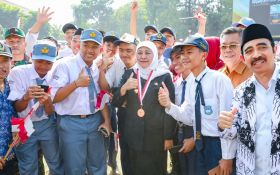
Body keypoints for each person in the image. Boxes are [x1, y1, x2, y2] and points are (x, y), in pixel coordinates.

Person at [158, 35, 234, 175]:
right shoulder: (192, 83)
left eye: (189, 52)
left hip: (216, 145)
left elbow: (229, 122)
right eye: (182, 53)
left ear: (204, 54)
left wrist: (226, 157)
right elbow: (188, 116)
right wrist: (169, 105)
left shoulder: (219, 80)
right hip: (198, 144)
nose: (184, 57)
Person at [218, 24, 280, 174]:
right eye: (249, 51)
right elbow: (232, 133)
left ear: (274, 49)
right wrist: (223, 125)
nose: (256, 55)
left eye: (262, 47)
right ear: (243, 58)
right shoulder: (240, 92)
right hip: (248, 170)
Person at [50, 29, 111, 175]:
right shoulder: (64, 65)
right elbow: (54, 97)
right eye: (86, 45)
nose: (90, 50)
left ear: (100, 49)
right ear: (79, 45)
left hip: (95, 121)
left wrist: (107, 121)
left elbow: (100, 97)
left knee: (98, 165)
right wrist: (76, 83)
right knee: (74, 168)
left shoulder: (95, 68)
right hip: (71, 123)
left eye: (94, 46)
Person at [112, 41, 176, 175]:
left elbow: (170, 109)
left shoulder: (164, 76)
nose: (143, 56)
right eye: (140, 53)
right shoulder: (130, 74)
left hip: (156, 137)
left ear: (154, 55)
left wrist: (168, 137)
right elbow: (116, 102)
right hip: (133, 135)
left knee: (156, 170)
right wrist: (124, 88)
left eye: (147, 53)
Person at [7, 41, 64, 175]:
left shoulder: (56, 76)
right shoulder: (18, 73)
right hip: (24, 124)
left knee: (55, 162)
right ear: (31, 56)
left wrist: (47, 101)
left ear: (54, 61)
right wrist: (26, 97)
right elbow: (17, 108)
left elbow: (50, 112)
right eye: (39, 61)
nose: (43, 66)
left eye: (48, 63)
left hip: (47, 123)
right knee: (27, 165)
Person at [99, 33, 139, 175]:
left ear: (136, 50)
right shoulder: (116, 63)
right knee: (126, 155)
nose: (124, 54)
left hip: (142, 122)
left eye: (128, 50)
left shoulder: (144, 65)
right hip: (123, 117)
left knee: (140, 160)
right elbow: (106, 87)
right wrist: (102, 69)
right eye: (121, 50)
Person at [169, 46, 197, 175]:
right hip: (179, 133)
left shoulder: (198, 81)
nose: (175, 62)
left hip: (195, 133)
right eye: (172, 58)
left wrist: (195, 138)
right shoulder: (177, 83)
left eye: (178, 57)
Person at [0, 43, 19, 175]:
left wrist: (17, 131)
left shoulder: (12, 85)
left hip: (9, 155)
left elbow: (15, 114)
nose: (2, 66)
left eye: (5, 60)